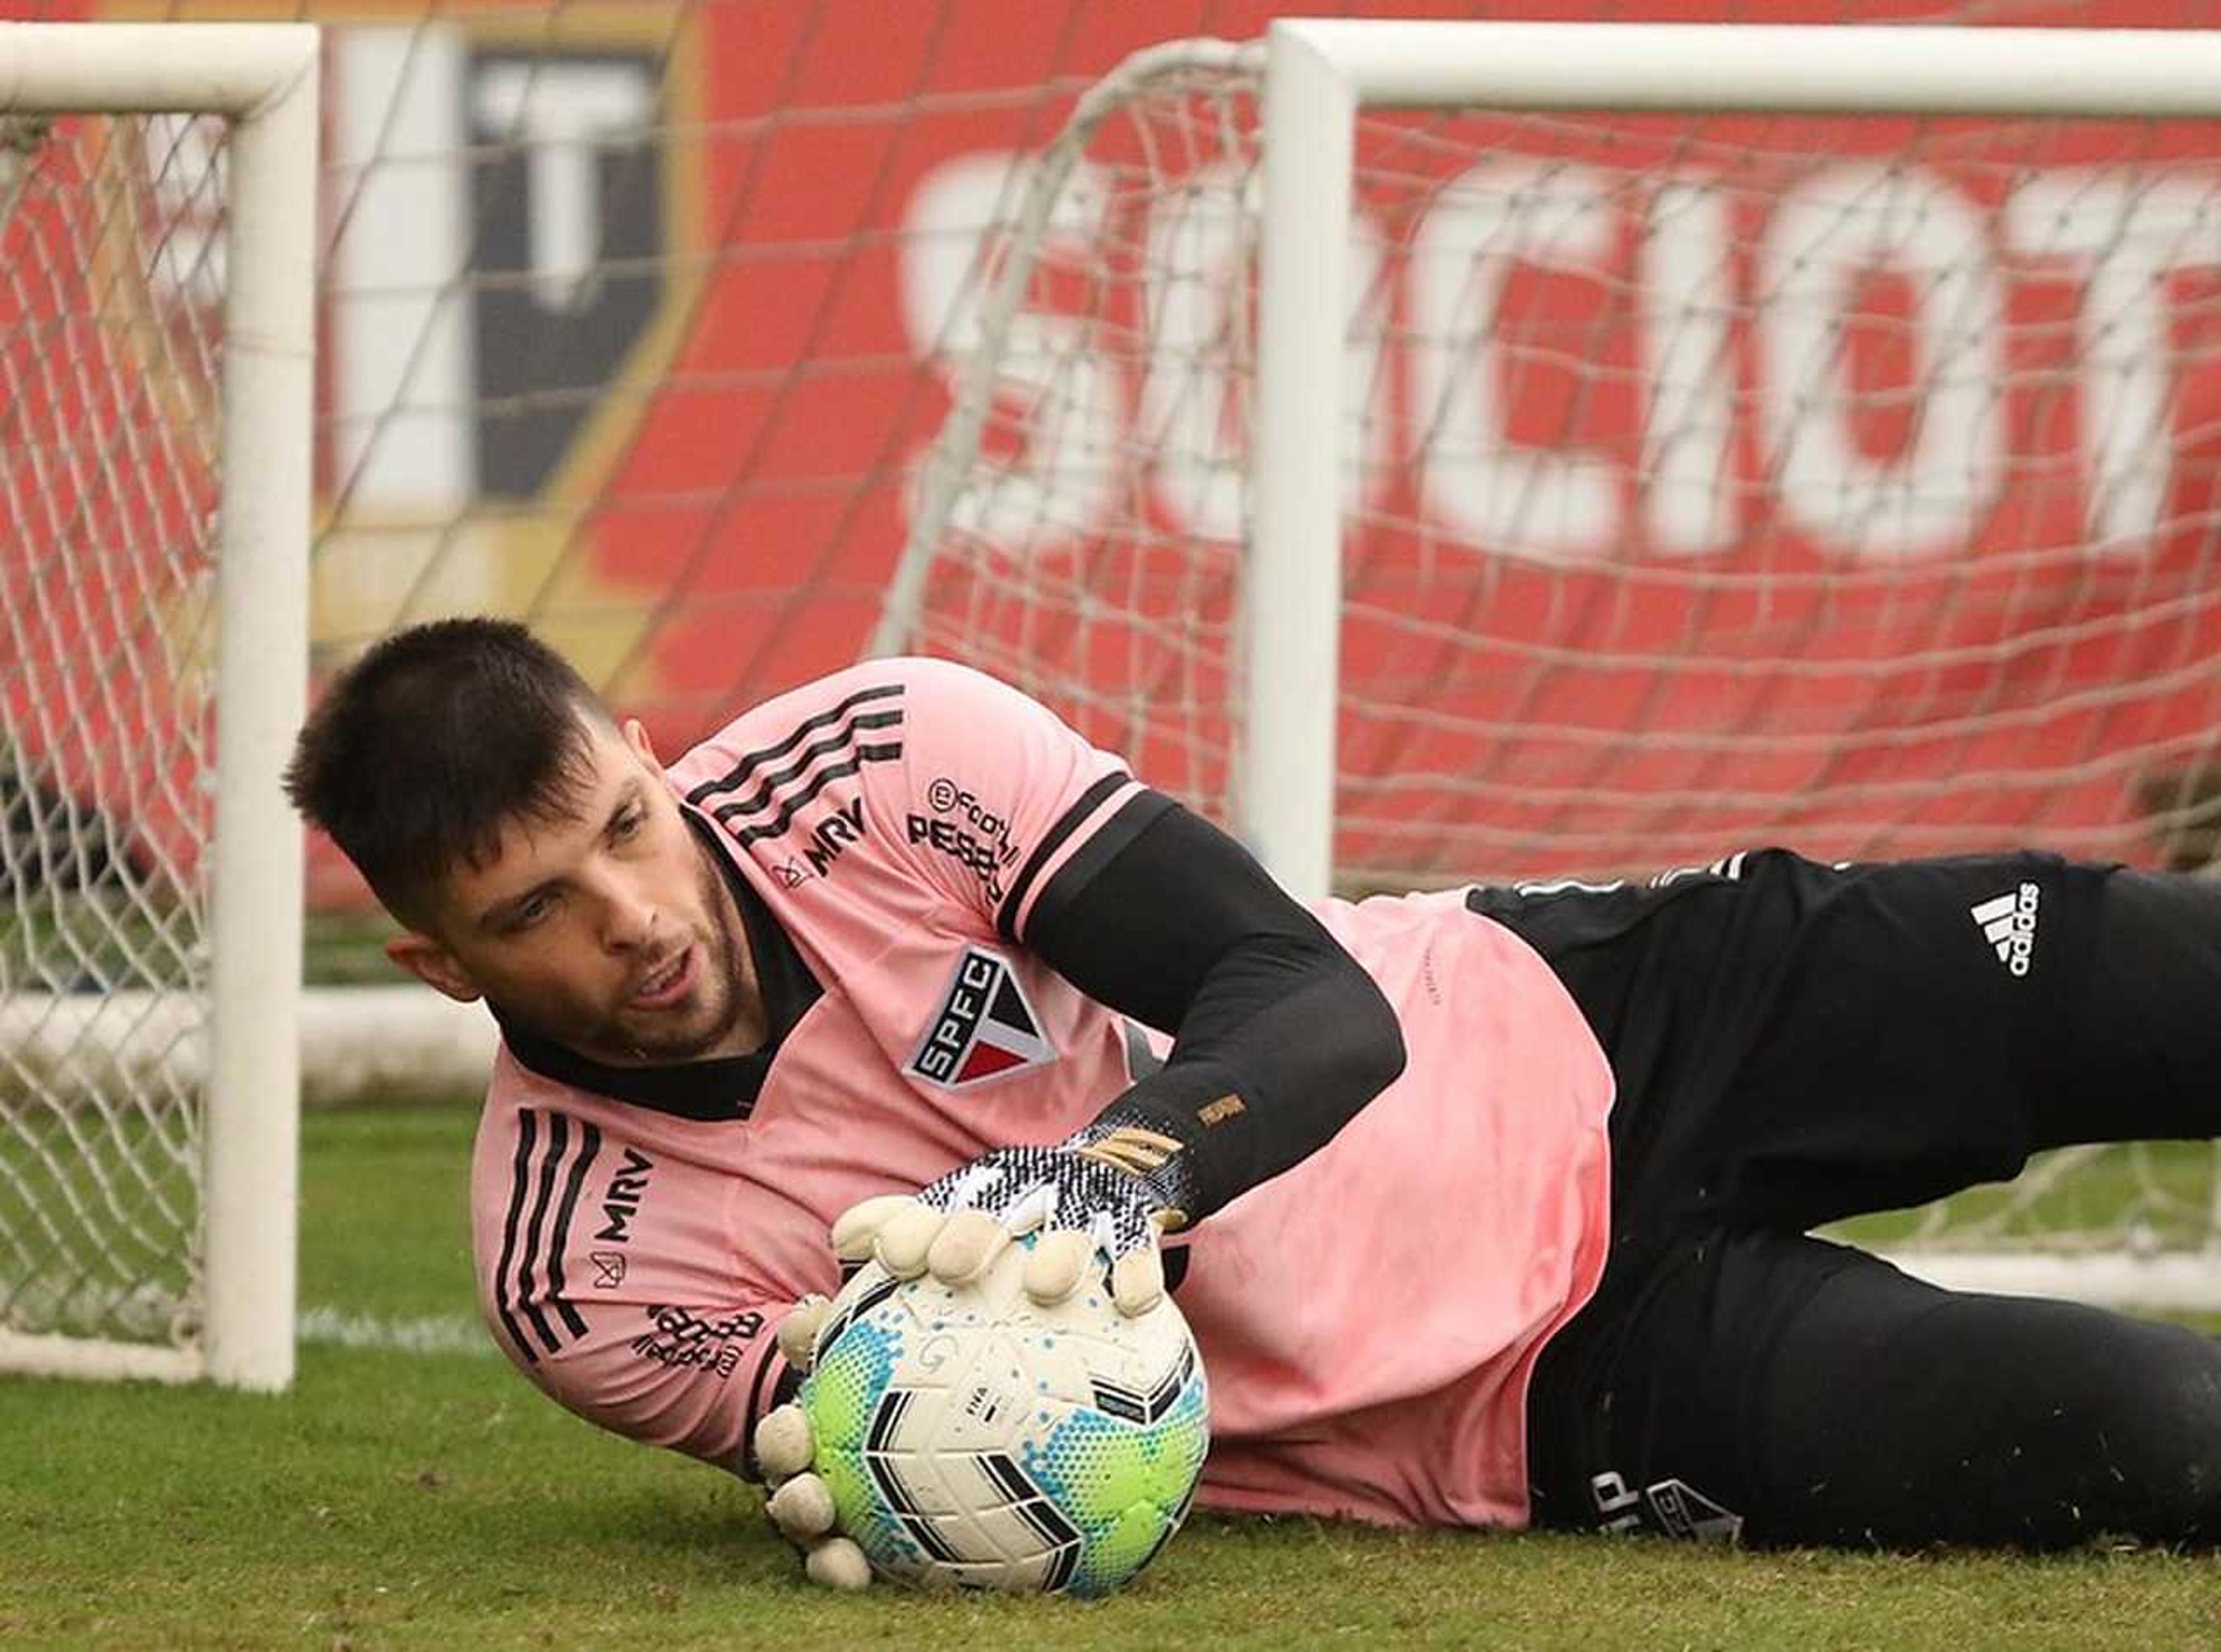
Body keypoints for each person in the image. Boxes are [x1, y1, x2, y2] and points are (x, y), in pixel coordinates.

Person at [283, 617, 2221, 1585]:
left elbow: (1302, 995)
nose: (631, 919)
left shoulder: (880, 758)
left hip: (1583, 1017)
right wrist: (883, 1444)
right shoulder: (582, 1276)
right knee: (2156, 1427)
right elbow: (968, 1486)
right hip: (1531, 1397)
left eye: (628, 826)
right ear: (440, 966)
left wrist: (1102, 1185)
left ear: (646, 752)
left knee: (2162, 972)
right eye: (536, 910)